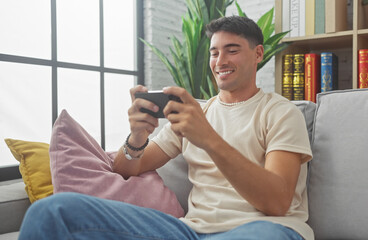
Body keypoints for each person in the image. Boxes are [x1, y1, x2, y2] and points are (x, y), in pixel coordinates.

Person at [18, 16, 313, 240]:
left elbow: (277, 202)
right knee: (52, 211)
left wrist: (208, 139)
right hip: (189, 232)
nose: (220, 61)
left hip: (265, 229)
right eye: (214, 53)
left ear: (258, 54)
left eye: (232, 50)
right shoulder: (194, 113)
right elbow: (127, 169)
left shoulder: (281, 113)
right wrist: (137, 136)